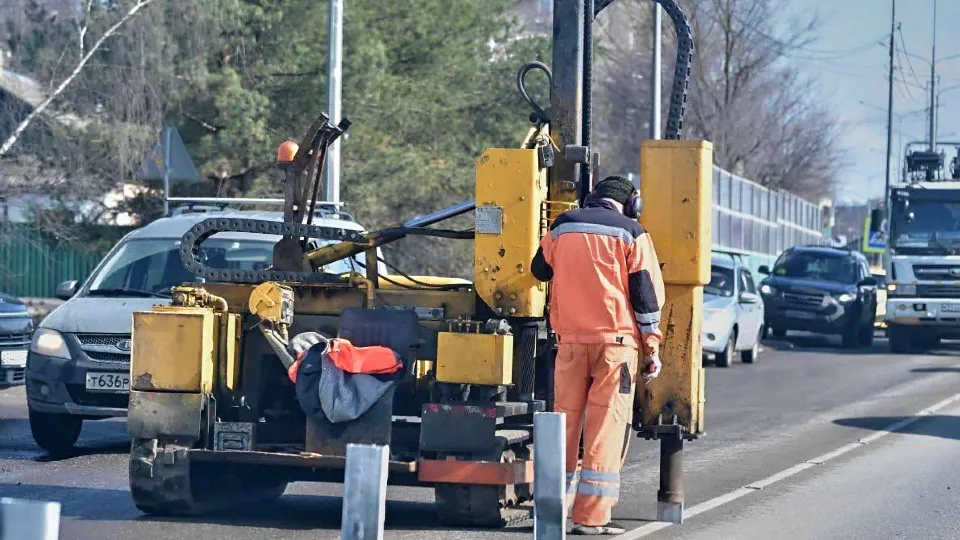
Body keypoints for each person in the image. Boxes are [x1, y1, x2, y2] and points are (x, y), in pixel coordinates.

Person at [531, 175, 665, 536]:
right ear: (630, 203)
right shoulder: (632, 233)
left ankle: (549, 513)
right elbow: (646, 300)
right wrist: (651, 348)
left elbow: (538, 270)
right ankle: (591, 519)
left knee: (564, 425)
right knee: (604, 428)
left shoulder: (562, 227)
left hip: (570, 344)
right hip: (615, 348)